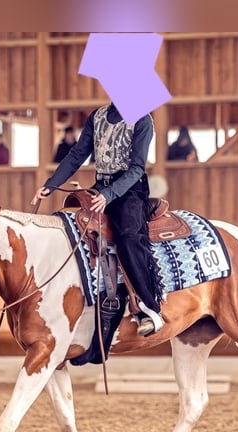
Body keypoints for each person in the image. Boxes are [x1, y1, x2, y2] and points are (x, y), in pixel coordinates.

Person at [32, 102, 164, 336]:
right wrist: (51, 184)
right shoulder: (98, 116)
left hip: (129, 190)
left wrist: (109, 194)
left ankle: (149, 308)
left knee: (127, 237)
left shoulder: (143, 120)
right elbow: (77, 155)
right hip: (100, 185)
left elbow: (137, 169)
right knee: (72, 225)